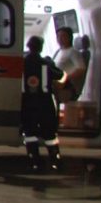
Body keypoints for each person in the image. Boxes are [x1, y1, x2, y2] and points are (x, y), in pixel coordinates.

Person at [22, 36, 66, 172]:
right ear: (40, 47)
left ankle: (34, 161)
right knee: (50, 134)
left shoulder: (21, 63)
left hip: (27, 102)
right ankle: (55, 162)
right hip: (45, 102)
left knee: (30, 133)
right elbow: (62, 76)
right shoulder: (46, 63)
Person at [52, 27, 86, 102]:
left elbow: (81, 70)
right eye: (58, 36)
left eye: (63, 36)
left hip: (67, 87)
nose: (60, 39)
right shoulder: (59, 51)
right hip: (57, 87)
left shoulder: (73, 52)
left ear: (70, 37)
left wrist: (64, 79)